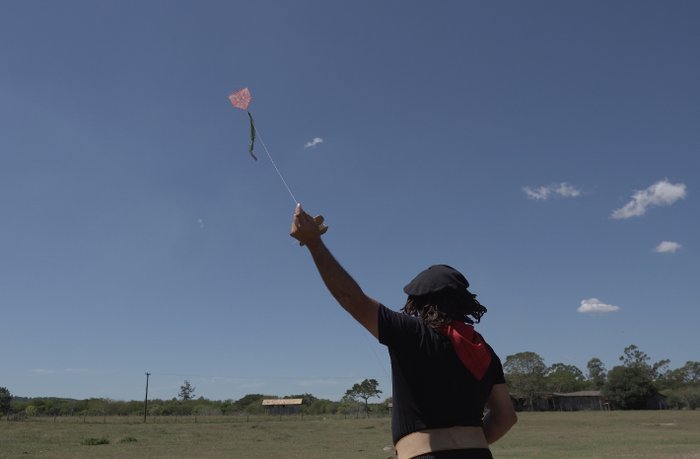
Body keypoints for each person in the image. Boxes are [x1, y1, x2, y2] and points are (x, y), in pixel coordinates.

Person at [290, 204, 517, 459]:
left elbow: (351, 299)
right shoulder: (483, 351)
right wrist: (465, 444)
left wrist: (314, 243)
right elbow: (506, 417)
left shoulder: (411, 331)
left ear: (417, 303)